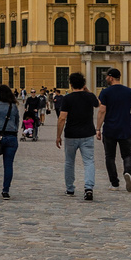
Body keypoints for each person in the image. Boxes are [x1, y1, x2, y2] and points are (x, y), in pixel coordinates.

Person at [96, 70, 131, 193]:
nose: (106, 79)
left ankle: (114, 183)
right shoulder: (129, 92)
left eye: (107, 76)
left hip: (110, 129)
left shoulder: (105, 92)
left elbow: (102, 111)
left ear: (111, 77)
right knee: (127, 154)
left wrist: (98, 128)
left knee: (110, 156)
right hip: (125, 128)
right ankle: (128, 172)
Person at [55, 73, 98, 201]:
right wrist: (87, 90)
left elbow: (62, 118)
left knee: (69, 162)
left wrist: (58, 136)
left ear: (71, 84)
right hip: (87, 134)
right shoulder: (90, 96)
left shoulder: (67, 99)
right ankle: (88, 188)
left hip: (71, 135)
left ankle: (70, 189)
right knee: (89, 161)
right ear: (83, 84)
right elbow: (98, 103)